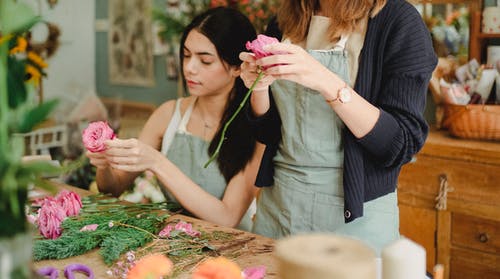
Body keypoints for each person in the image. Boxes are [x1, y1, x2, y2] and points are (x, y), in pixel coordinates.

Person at [239, 0, 437, 253]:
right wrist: (259, 88)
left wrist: (326, 82)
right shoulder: (285, 21)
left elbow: (400, 144)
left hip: (355, 220)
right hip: (279, 208)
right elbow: (266, 132)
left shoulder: (397, 20)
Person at [86, 7, 263, 231]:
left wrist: (157, 162)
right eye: (186, 55)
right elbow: (112, 189)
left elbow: (227, 218)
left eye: (205, 61)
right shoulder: (168, 114)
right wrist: (104, 166)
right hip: (171, 242)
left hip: (230, 252)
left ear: (238, 68)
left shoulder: (254, 127)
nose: (189, 68)